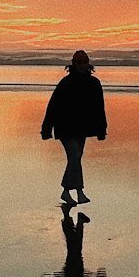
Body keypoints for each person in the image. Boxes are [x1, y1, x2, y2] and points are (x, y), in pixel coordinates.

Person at [40, 49, 107, 206]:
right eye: (79, 63)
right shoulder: (66, 83)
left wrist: (102, 129)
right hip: (65, 126)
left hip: (82, 127)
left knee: (74, 159)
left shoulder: (94, 83)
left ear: (88, 64)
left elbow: (99, 107)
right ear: (74, 64)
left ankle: (65, 192)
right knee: (75, 156)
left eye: (84, 62)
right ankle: (79, 192)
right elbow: (53, 106)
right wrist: (46, 128)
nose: (82, 65)